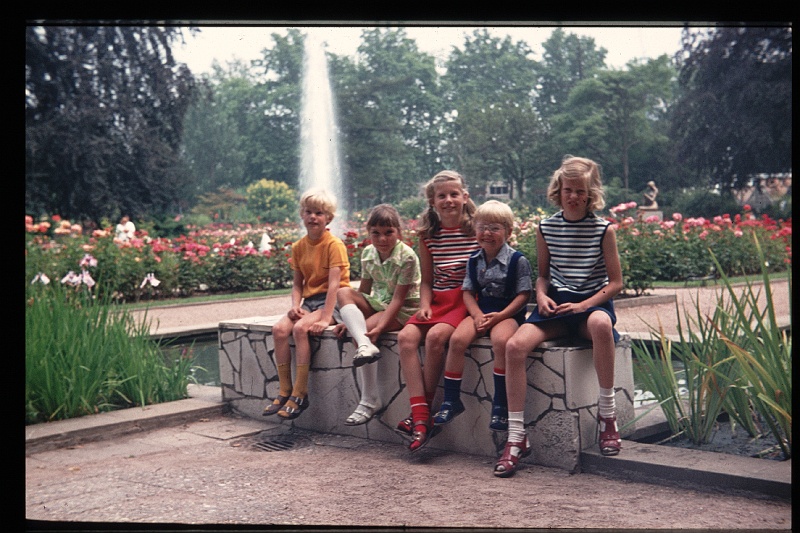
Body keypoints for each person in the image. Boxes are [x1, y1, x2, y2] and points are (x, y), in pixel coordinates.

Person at [494, 155, 624, 478]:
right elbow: (542, 277)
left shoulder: (603, 229)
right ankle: (515, 437)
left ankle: (608, 416)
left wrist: (583, 306)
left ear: (590, 193)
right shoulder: (546, 227)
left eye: (580, 191)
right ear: (559, 190)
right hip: (554, 306)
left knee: (601, 324)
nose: (574, 196)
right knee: (513, 346)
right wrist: (540, 295)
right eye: (568, 190)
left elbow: (617, 283)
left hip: (588, 306)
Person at [395, 170, 480, 452]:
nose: (448, 200)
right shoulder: (428, 235)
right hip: (439, 300)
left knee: (435, 339)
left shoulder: (476, 230)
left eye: (454, 194)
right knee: (405, 338)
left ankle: (420, 419)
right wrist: (424, 304)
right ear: (432, 201)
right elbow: (428, 281)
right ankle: (422, 418)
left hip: (465, 300)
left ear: (465, 197)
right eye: (441, 195)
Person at [432, 200, 532, 432]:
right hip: (481, 309)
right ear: (475, 229)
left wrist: (500, 316)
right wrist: (476, 315)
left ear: (508, 231)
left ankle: (500, 404)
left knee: (500, 342)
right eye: (482, 227)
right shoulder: (474, 260)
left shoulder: (518, 261)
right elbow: (467, 291)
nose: (487, 233)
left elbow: (523, 295)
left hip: (507, 312)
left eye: (495, 228)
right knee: (457, 340)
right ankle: (451, 399)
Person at [262, 188, 351, 420]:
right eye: (308, 212)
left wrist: (324, 318)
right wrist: (295, 305)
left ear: (328, 218)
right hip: (311, 301)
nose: (313, 217)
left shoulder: (334, 245)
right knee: (280, 329)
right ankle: (284, 390)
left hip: (335, 301)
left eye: (319, 213)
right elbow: (297, 284)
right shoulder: (299, 246)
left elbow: (334, 286)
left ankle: (300, 394)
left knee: (301, 329)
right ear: (302, 214)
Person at [334, 204, 421, 426]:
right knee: (344, 292)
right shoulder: (368, 253)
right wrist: (348, 319)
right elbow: (364, 290)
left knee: (364, 333)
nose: (382, 239)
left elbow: (399, 299)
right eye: (376, 233)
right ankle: (365, 346)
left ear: (398, 232)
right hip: (380, 302)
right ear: (369, 233)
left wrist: (379, 327)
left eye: (388, 233)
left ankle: (369, 399)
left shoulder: (407, 257)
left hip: (404, 308)